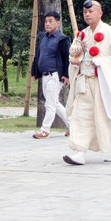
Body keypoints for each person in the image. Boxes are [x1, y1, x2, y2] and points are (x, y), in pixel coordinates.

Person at [63, 0, 111, 165]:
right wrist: (75, 59)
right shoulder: (81, 35)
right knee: (81, 116)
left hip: (104, 83)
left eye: (91, 11)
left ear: (100, 13)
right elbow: (73, 55)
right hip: (84, 82)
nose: (87, 14)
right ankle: (79, 153)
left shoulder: (110, 33)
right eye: (85, 12)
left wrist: (102, 62)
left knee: (106, 117)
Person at [31, 11, 71, 139]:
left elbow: (67, 58)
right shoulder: (43, 37)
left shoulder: (62, 39)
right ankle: (73, 127)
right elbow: (38, 56)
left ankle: (45, 130)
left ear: (58, 23)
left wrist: (66, 74)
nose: (47, 24)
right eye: (46, 21)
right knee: (54, 103)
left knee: (49, 104)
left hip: (56, 75)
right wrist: (34, 71)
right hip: (45, 75)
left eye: (50, 21)